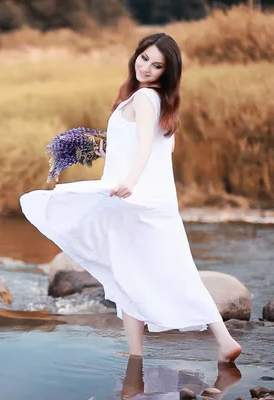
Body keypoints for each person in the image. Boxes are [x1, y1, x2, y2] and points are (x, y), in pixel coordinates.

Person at [19, 33, 242, 363]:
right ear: (135, 55)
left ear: (167, 72)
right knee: (145, 274)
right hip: (147, 203)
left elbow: (145, 148)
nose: (147, 68)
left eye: (157, 65)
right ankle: (162, 352)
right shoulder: (157, 103)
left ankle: (163, 353)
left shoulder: (144, 98)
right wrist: (106, 149)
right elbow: (157, 147)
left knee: (138, 271)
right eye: (144, 59)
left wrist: (131, 180)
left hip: (135, 202)